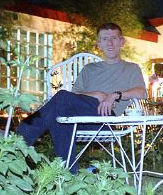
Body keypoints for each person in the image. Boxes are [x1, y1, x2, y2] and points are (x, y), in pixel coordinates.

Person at [17, 22, 146, 172]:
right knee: (61, 114)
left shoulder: (131, 68)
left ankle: (20, 137)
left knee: (62, 98)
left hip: (106, 120)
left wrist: (115, 95)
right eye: (105, 39)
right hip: (80, 118)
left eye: (114, 38)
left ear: (122, 41)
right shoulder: (89, 69)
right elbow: (75, 96)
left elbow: (141, 92)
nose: (110, 43)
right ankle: (70, 175)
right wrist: (96, 95)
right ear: (99, 44)